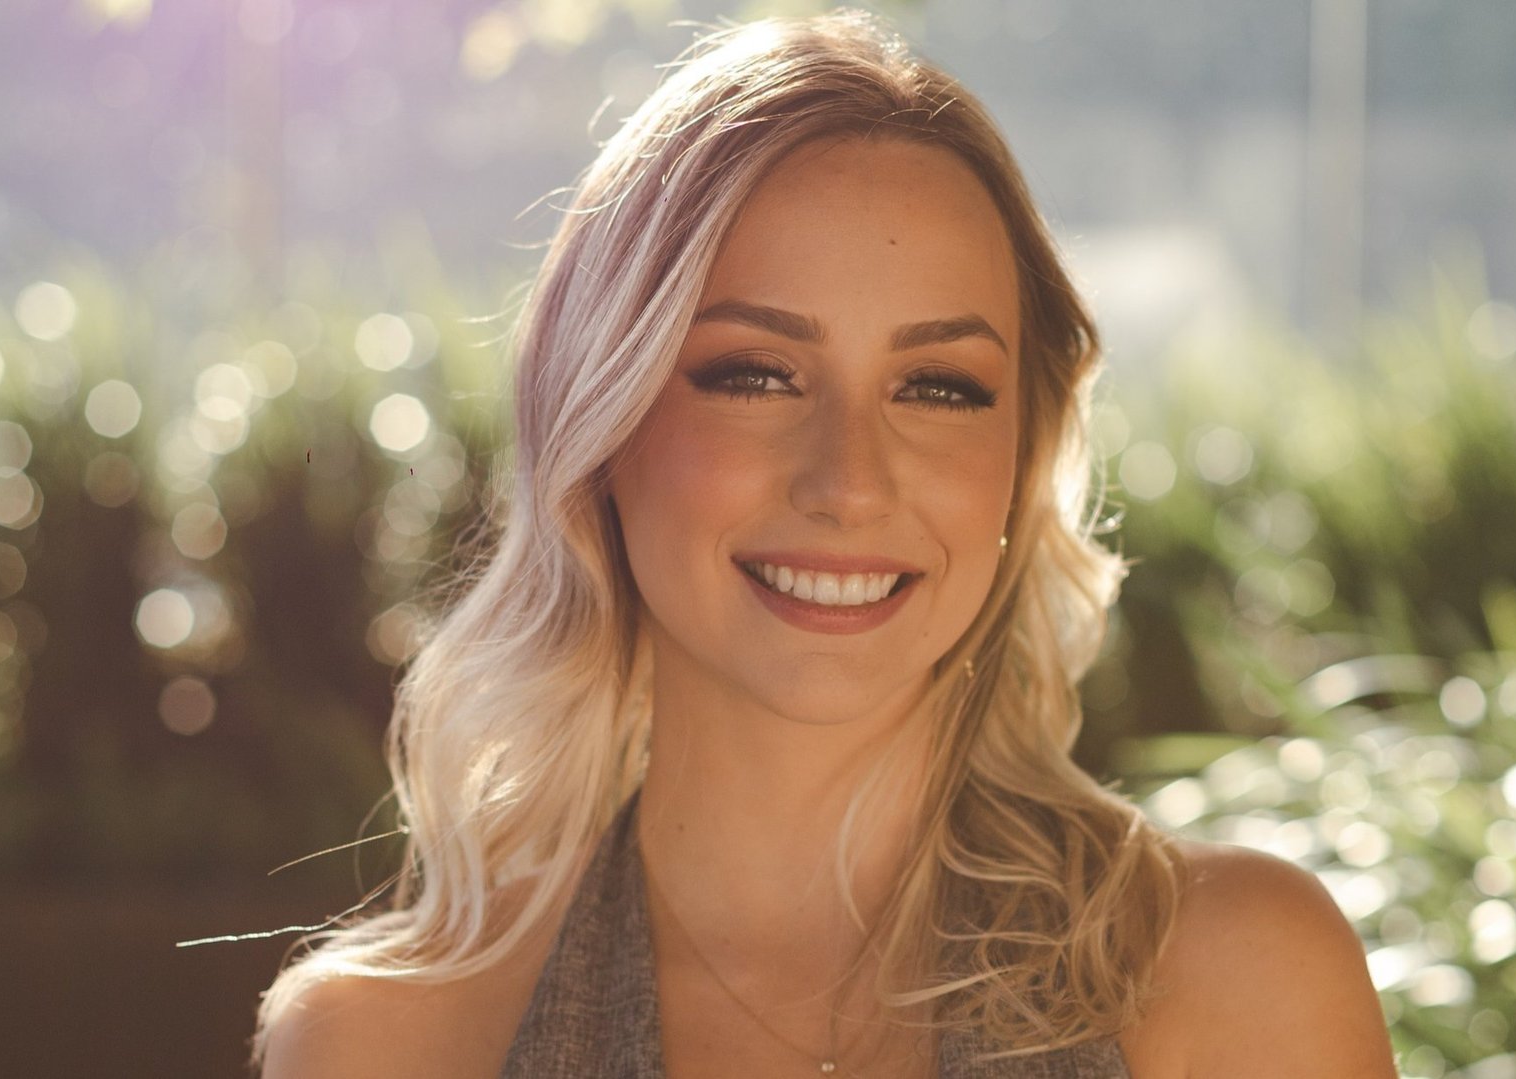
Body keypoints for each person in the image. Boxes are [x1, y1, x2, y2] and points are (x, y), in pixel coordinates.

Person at [251, 8, 1398, 1078]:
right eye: (756, 373)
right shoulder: (383, 1039)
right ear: (601, 425)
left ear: (1021, 454)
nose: (850, 483)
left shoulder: (1242, 977)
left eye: (938, 386)